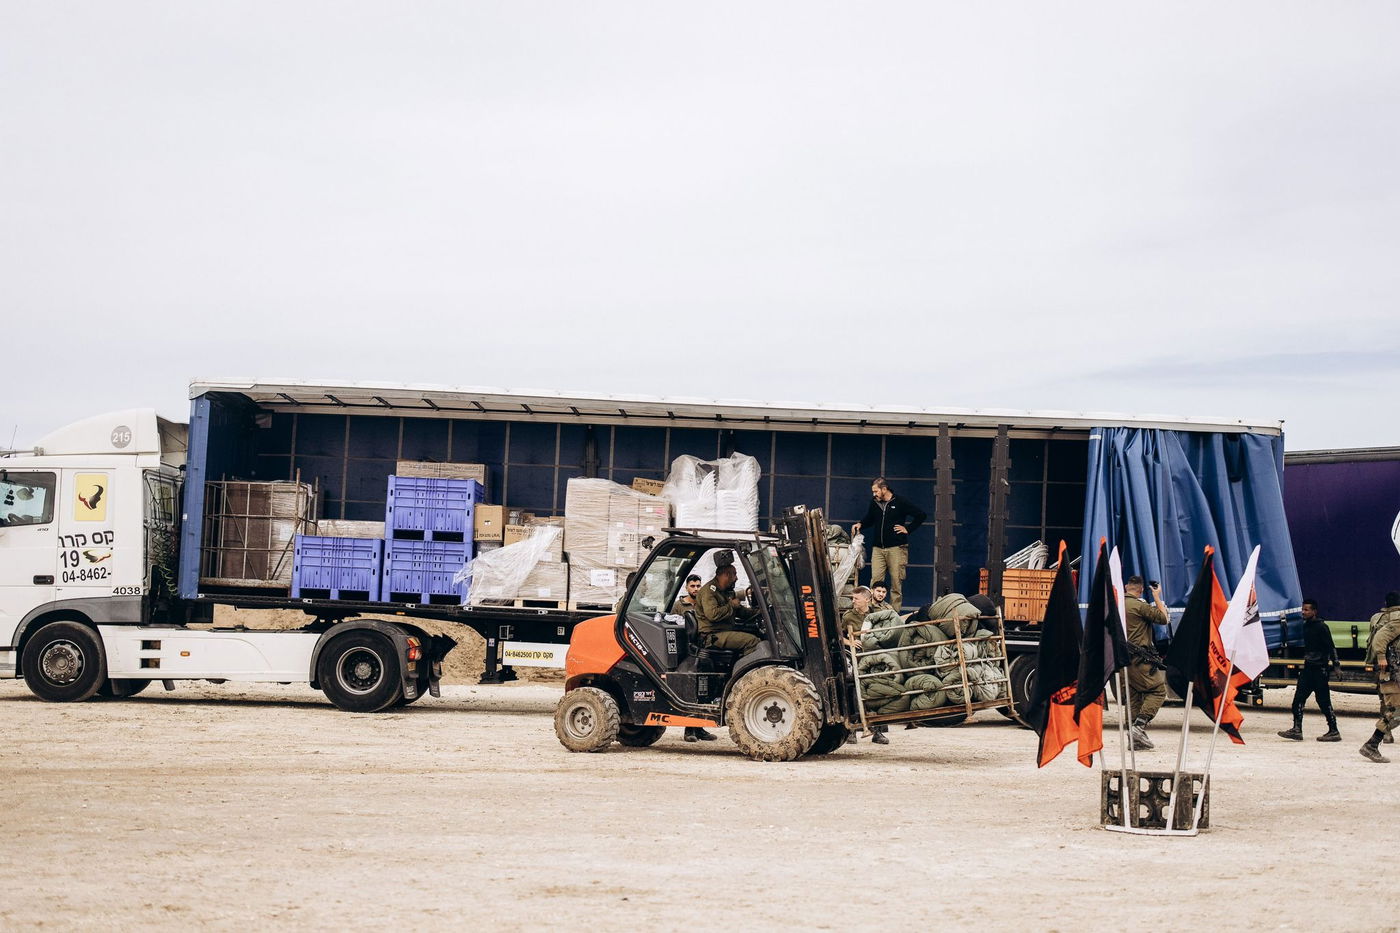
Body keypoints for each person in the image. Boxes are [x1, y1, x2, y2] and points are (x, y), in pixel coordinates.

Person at [852, 478, 927, 612]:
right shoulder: (874, 502)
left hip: (896, 548)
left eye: (876, 491)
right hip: (878, 549)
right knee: (875, 581)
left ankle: (894, 614)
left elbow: (921, 515)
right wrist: (861, 524)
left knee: (896, 583)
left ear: (884, 489)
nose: (874, 494)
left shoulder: (900, 502)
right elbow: (870, 518)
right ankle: (873, 612)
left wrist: (908, 529)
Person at [1277, 599, 1340, 742]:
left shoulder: (1322, 627)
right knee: (1298, 699)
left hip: (1320, 670)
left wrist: (1336, 665)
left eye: (1307, 610)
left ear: (1314, 611)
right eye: (1303, 610)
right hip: (1308, 669)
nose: (1303, 612)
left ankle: (1334, 730)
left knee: (1324, 702)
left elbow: (1331, 646)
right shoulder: (1306, 626)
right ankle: (1297, 729)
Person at [1122, 575, 1169, 750]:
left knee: (1134, 696)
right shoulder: (1140, 606)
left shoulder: (1118, 606)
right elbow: (1163, 618)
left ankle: (1134, 740)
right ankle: (1139, 728)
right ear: (1141, 590)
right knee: (1158, 691)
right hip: (1139, 659)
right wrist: (1156, 596)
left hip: (1124, 660)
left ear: (1127, 586)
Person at [840, 587, 889, 745]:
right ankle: (853, 731)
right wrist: (851, 642)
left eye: (856, 599)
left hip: (875, 659)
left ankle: (878, 732)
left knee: (877, 693)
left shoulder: (877, 615)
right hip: (858, 660)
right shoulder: (848, 616)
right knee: (855, 693)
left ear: (867, 600)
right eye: (853, 598)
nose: (853, 601)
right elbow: (840, 636)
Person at [1360, 591, 1400, 763]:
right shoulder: (1398, 617)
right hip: (1393, 672)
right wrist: (1382, 656)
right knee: (1394, 710)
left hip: (1387, 671)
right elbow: (1379, 638)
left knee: (1390, 707)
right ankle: (1372, 745)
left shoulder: (1378, 617)